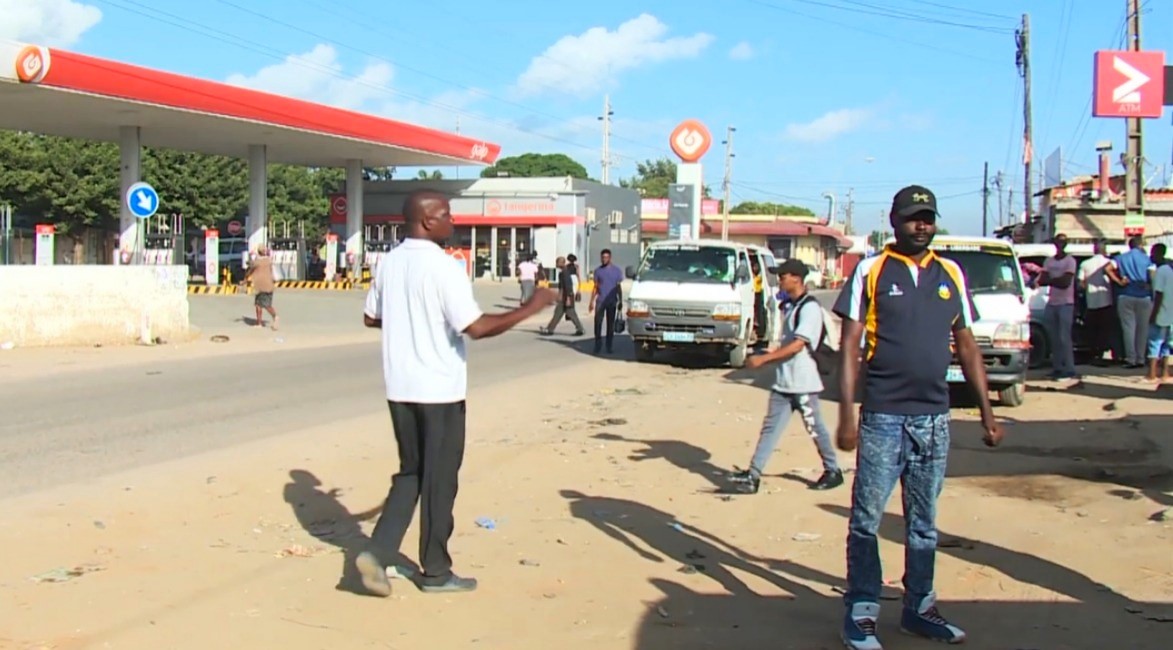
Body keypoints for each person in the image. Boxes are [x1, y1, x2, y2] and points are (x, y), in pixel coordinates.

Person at [356, 190, 556, 597]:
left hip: (400, 389)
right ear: (427, 221)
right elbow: (477, 327)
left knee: (411, 472)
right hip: (440, 392)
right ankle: (435, 571)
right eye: (446, 214)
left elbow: (370, 317)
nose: (454, 221)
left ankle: (377, 552)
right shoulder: (444, 268)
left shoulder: (389, 264)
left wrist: (410, 324)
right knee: (440, 480)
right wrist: (531, 306)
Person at [833, 185, 1004, 649]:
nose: (921, 225)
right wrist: (848, 413)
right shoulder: (871, 271)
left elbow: (967, 345)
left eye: (927, 217)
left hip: (935, 420)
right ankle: (862, 609)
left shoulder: (951, 273)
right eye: (913, 218)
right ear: (894, 221)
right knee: (867, 518)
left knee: (924, 521)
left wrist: (987, 412)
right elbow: (849, 347)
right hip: (884, 415)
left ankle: (919, 607)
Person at [730, 258, 842, 495]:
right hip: (784, 381)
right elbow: (787, 343)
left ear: (797, 279)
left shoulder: (809, 308)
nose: (779, 281)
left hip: (803, 382)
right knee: (770, 429)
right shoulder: (790, 306)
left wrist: (764, 360)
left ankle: (833, 470)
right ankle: (754, 473)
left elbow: (798, 345)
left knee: (815, 427)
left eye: (783, 276)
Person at [1106, 237, 1153, 369]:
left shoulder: (1121, 258)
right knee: (1143, 329)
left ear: (1129, 245)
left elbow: (1108, 268)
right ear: (1141, 245)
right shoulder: (1146, 259)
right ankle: (1141, 359)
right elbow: (1152, 274)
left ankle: (1130, 359)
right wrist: (1149, 286)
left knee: (1128, 329)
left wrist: (1119, 281)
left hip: (1126, 294)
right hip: (1144, 296)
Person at [1037, 234, 1078, 379]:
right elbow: (1042, 280)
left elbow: (1065, 282)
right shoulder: (1049, 261)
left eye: (1063, 242)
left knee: (1064, 337)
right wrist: (1055, 280)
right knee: (1053, 338)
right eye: (1058, 241)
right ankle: (1058, 367)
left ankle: (1069, 367)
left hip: (1066, 303)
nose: (1060, 244)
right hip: (1052, 302)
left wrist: (1051, 280)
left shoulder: (1070, 261)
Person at [1078, 239, 1117, 365]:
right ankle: (1102, 355)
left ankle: (1093, 355)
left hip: (1091, 302)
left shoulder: (1085, 264)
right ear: (1104, 250)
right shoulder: (1110, 263)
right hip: (1106, 301)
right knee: (1104, 331)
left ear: (1094, 250)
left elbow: (1080, 284)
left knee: (1092, 331)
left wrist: (1087, 289)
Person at [589, 248, 624, 355]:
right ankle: (597, 345)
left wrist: (620, 300)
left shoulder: (617, 271)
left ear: (610, 258)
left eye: (606, 257)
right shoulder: (598, 271)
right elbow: (595, 287)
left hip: (612, 301)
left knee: (610, 325)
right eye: (602, 257)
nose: (604, 259)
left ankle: (609, 346)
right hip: (600, 301)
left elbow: (618, 287)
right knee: (598, 323)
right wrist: (591, 301)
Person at [539, 256, 585, 336]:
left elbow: (568, 285)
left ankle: (580, 329)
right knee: (559, 313)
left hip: (566, 296)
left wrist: (567, 298)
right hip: (565, 296)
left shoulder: (564, 273)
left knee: (570, 313)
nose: (556, 264)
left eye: (557, 262)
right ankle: (550, 329)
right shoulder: (564, 272)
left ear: (561, 263)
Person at [1147, 245, 1171, 383]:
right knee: (1166, 344)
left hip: (1161, 312)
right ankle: (1165, 372)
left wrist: (1153, 314)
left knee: (1154, 342)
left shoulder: (1160, 272)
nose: (1151, 256)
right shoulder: (1169, 270)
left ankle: (1151, 373)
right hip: (1170, 313)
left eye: (1152, 253)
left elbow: (1159, 295)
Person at [244, 246, 279, 330]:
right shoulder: (269, 260)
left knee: (266, 305)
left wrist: (245, 280)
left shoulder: (257, 262)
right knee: (258, 305)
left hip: (262, 286)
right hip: (269, 285)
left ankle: (275, 316)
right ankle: (259, 323)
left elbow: (250, 270)